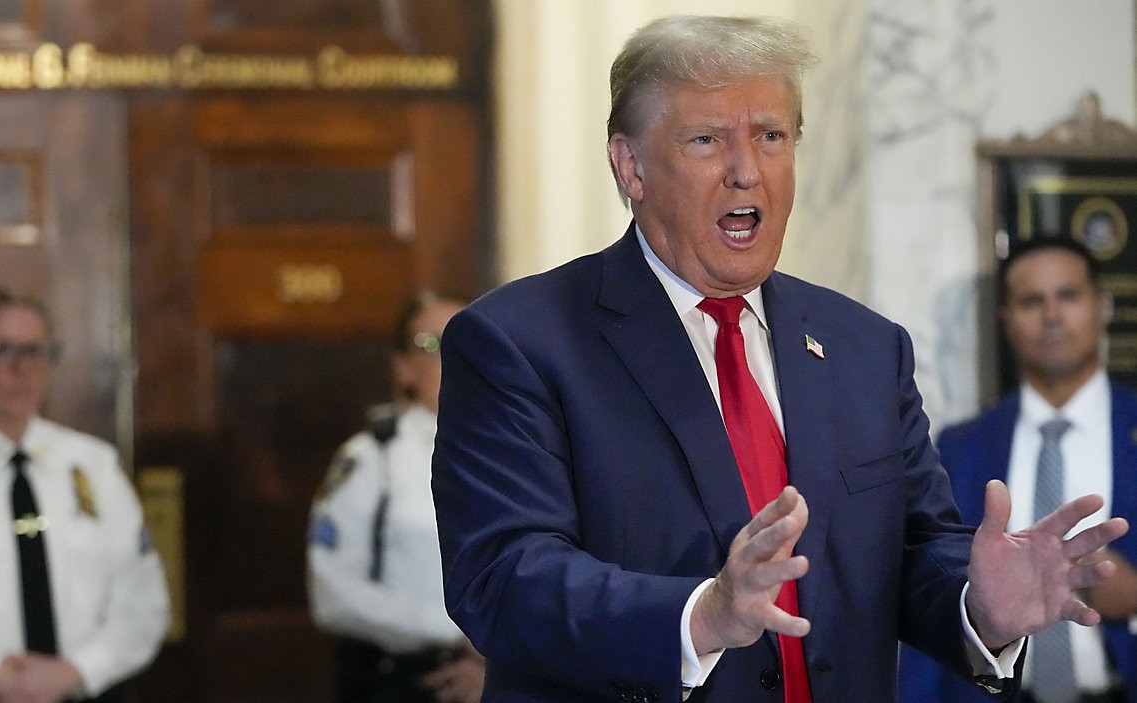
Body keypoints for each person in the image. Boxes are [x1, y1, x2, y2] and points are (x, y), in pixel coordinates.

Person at [429, 15, 1129, 703]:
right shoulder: (518, 341)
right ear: (630, 165)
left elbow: (913, 550)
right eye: (707, 139)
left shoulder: (864, 345)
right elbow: (501, 577)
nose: (746, 172)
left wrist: (981, 608)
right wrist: (703, 616)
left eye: (771, 136)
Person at [0, 289, 170, 703]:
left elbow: (143, 600)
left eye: (36, 351)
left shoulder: (93, 467)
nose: (22, 368)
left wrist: (78, 671)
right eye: (0, 349)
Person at [900, 237, 1137, 703]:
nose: (1052, 316)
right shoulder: (961, 446)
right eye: (1032, 301)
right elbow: (929, 594)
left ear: (1102, 307)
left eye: (1068, 296)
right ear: (1006, 321)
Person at [308, 291, 485, 703]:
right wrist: (457, 630)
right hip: (401, 679)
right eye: (432, 345)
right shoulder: (372, 459)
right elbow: (332, 594)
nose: (454, 357)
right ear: (404, 367)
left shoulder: (525, 452)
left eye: (468, 340)